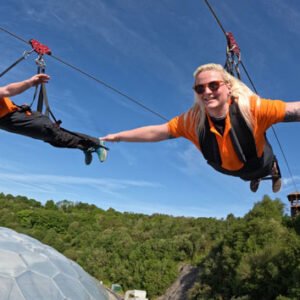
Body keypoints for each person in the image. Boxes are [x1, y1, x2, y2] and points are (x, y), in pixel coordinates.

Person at [101, 63, 300, 193]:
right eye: (200, 88)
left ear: (228, 87)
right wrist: (119, 136)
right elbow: (157, 132)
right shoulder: (192, 121)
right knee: (245, 174)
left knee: (261, 165)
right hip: (232, 169)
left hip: (258, 161)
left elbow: (293, 109)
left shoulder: (253, 108)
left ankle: (273, 169)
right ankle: (252, 179)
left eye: (214, 85)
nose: (207, 92)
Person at [0, 73, 108, 165]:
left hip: (15, 117)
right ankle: (85, 146)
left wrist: (30, 82)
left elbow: (7, 90)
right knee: (52, 139)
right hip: (10, 122)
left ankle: (95, 142)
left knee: (53, 134)